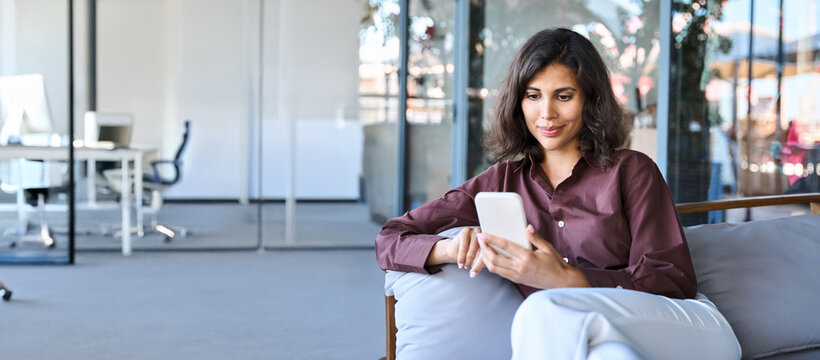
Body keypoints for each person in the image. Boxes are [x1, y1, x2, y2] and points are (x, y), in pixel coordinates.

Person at [375, 28, 741, 359]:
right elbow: (390, 239)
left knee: (542, 309)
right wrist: (453, 249)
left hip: (684, 327)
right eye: (533, 96)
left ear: (590, 100)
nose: (546, 113)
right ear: (519, 102)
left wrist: (565, 279)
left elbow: (672, 279)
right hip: (586, 339)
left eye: (563, 96)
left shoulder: (631, 171)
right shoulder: (500, 181)